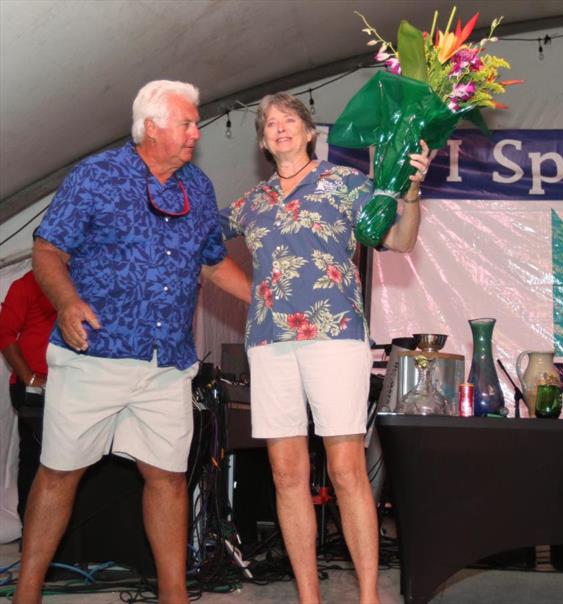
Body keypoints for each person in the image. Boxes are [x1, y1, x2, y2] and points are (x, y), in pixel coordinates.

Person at [13, 80, 251, 604]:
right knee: (59, 474)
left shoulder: (199, 187)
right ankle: (26, 593)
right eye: (186, 123)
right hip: (95, 355)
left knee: (166, 478)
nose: (195, 133)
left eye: (194, 123)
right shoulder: (96, 176)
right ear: (151, 127)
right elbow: (48, 249)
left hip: (167, 362)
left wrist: (265, 300)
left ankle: (174, 595)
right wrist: (68, 302)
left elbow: (213, 262)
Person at [221, 92, 430, 604]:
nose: (280, 127)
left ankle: (367, 595)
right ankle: (309, 597)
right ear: (264, 141)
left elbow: (399, 241)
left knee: (345, 469)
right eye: (270, 123)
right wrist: (257, 295)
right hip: (270, 344)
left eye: (289, 119)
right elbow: (201, 251)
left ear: (311, 132)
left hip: (334, 336)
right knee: (286, 472)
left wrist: (411, 192)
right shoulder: (251, 202)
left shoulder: (346, 183)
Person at [0, 270, 56, 522]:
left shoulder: (79, 280)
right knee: (36, 455)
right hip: (33, 388)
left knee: (69, 459)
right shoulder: (25, 285)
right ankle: (31, 527)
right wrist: (30, 377)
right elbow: (5, 334)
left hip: (72, 385)